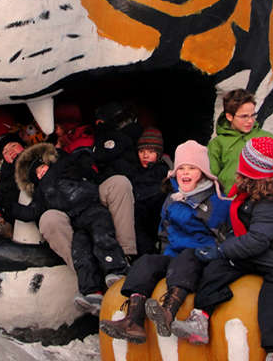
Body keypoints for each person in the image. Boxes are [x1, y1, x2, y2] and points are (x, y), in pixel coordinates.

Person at [171, 137, 273, 361]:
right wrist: (221, 251)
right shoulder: (248, 191)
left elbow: (257, 240)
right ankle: (200, 318)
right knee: (216, 270)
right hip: (253, 252)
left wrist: (223, 249)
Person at [99, 140, 229, 343]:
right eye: (181, 168)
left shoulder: (215, 201)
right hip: (174, 256)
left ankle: (168, 313)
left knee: (186, 258)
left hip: (200, 256)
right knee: (147, 262)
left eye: (192, 168)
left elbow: (224, 236)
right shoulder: (172, 198)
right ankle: (133, 320)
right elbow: (165, 232)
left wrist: (212, 255)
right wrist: (164, 255)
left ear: (202, 172)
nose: (185, 173)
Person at [21, 141, 129, 315]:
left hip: (91, 209)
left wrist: (78, 160)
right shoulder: (43, 191)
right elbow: (33, 210)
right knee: (81, 251)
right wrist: (13, 209)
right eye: (38, 174)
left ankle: (116, 268)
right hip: (74, 221)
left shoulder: (68, 170)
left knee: (102, 234)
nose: (42, 173)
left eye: (42, 168)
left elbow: (88, 170)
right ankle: (91, 291)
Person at [208, 89, 273, 193]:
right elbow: (211, 178)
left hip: (263, 201)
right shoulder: (217, 144)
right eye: (244, 116)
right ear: (229, 116)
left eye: (253, 115)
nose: (250, 120)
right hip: (229, 202)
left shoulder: (270, 139)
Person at [131, 127, 172, 255]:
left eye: (150, 151)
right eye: (141, 151)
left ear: (158, 154)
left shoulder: (163, 171)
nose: (145, 155)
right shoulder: (134, 171)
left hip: (154, 217)